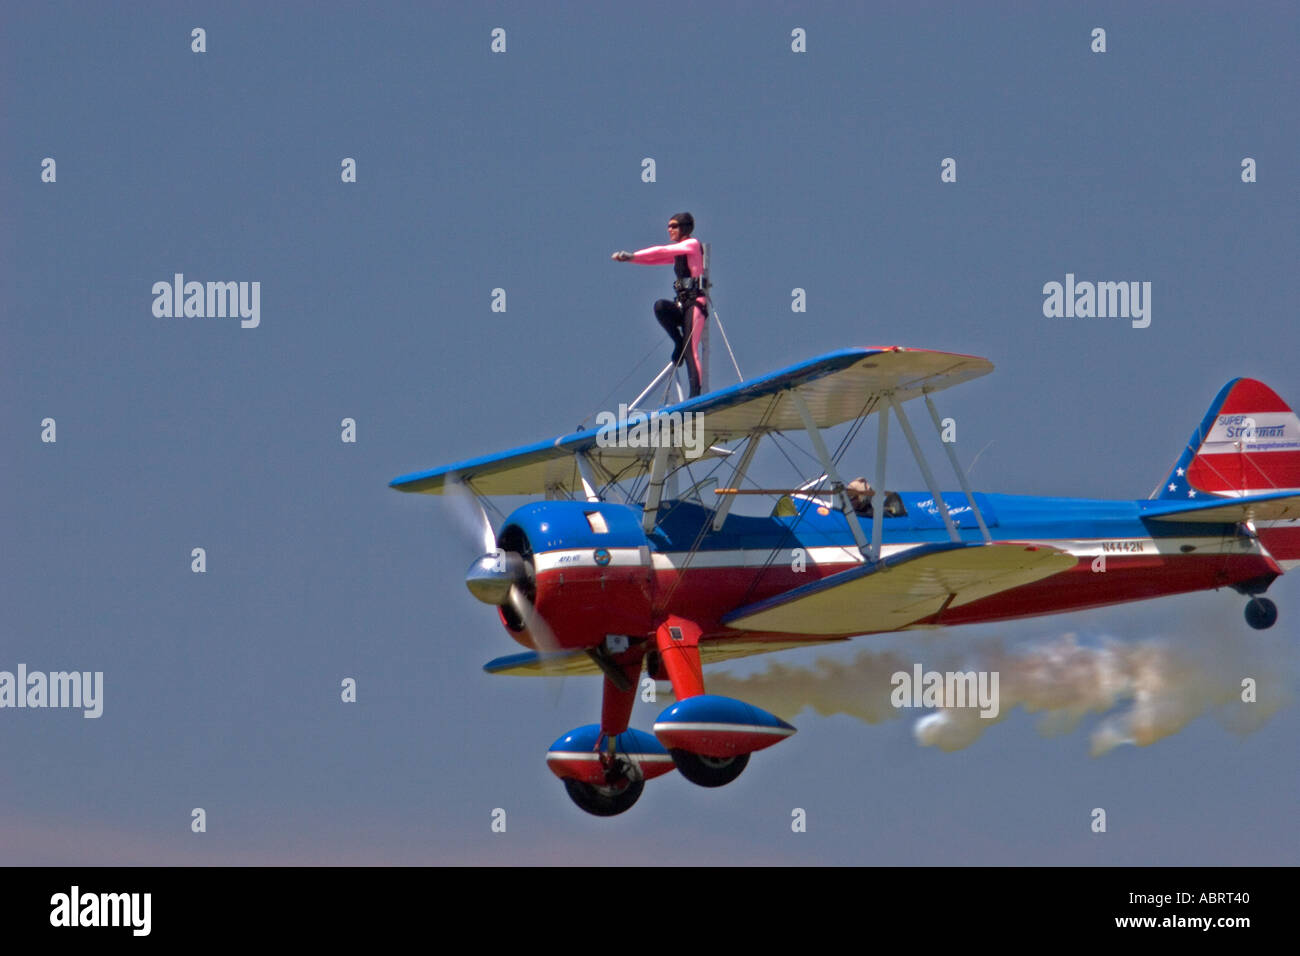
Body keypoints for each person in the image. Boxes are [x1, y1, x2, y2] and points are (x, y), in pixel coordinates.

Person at [612, 213, 708, 397]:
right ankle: (678, 342)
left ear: (684, 228)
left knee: (691, 349)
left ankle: (696, 395)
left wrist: (632, 254)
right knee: (660, 307)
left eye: (674, 226)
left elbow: (661, 251)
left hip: (695, 303)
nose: (669, 229)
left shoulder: (692, 244)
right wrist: (631, 259)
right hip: (682, 303)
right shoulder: (679, 252)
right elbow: (655, 259)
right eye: (669, 226)